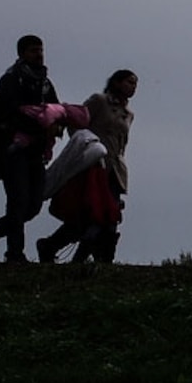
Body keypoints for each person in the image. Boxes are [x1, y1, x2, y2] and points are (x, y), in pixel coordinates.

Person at [0, 35, 61, 263]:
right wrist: (36, 124)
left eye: (41, 50)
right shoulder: (12, 80)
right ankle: (14, 253)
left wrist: (55, 127)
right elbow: (9, 113)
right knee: (18, 201)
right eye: (33, 51)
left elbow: (55, 109)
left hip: (37, 151)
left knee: (33, 205)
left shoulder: (45, 83)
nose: (39, 55)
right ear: (22, 53)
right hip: (14, 149)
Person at [40, 71, 137, 264]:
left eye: (135, 84)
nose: (133, 87)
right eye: (129, 82)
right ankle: (58, 249)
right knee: (90, 213)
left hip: (115, 169)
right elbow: (77, 122)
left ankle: (96, 258)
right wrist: (85, 148)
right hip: (93, 164)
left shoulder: (129, 114)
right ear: (117, 82)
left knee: (110, 215)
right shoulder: (100, 101)